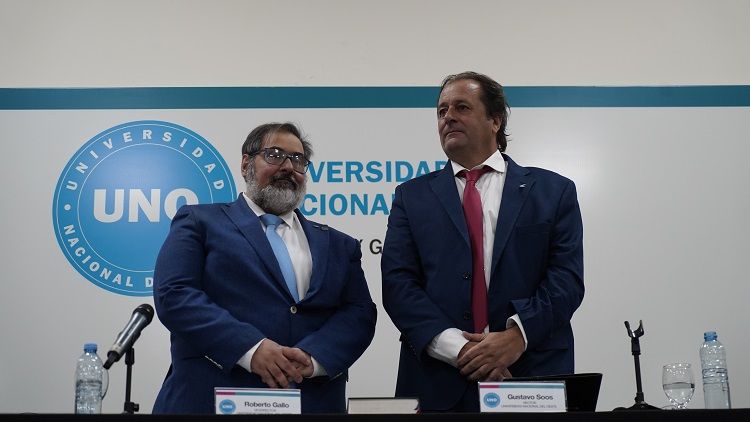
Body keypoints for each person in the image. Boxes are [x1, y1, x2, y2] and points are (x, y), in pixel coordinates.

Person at [381, 71, 584, 412]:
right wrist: (461, 350)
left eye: (461, 107)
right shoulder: (411, 197)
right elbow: (398, 284)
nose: (448, 117)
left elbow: (566, 280)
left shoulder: (554, 191)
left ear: (495, 120)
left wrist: (516, 337)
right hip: (439, 382)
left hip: (529, 375)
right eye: (442, 110)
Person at [152, 122, 377, 414]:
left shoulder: (340, 244)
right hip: (212, 399)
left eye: (298, 160)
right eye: (275, 155)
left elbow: (359, 313)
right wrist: (250, 348)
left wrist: (313, 358)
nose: (288, 167)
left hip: (312, 401)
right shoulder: (199, 221)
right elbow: (175, 294)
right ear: (246, 163)